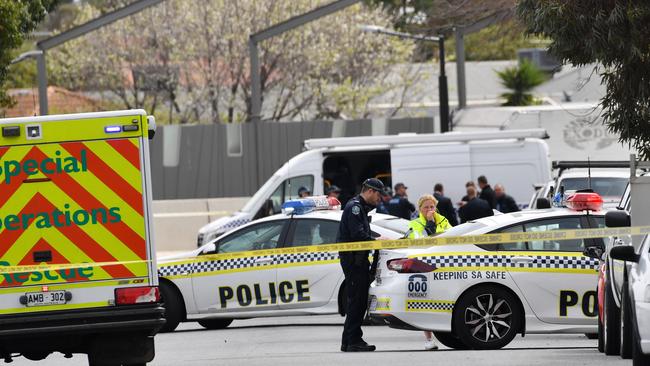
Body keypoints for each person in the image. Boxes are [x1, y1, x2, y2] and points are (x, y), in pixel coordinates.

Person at [336, 178, 384, 352]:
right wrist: (377, 241)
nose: (380, 198)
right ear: (370, 191)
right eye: (378, 194)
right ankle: (353, 340)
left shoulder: (359, 207)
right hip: (354, 261)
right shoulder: (355, 208)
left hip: (358, 259)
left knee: (357, 301)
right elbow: (359, 235)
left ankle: (348, 341)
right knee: (357, 302)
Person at [407, 194, 452, 351]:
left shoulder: (444, 221)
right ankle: (429, 339)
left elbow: (451, 238)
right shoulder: (415, 224)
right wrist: (429, 226)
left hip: (443, 266)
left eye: (432, 207)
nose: (429, 210)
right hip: (424, 266)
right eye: (426, 207)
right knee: (425, 302)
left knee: (445, 300)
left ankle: (450, 335)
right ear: (420, 209)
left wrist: (434, 224)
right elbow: (416, 241)